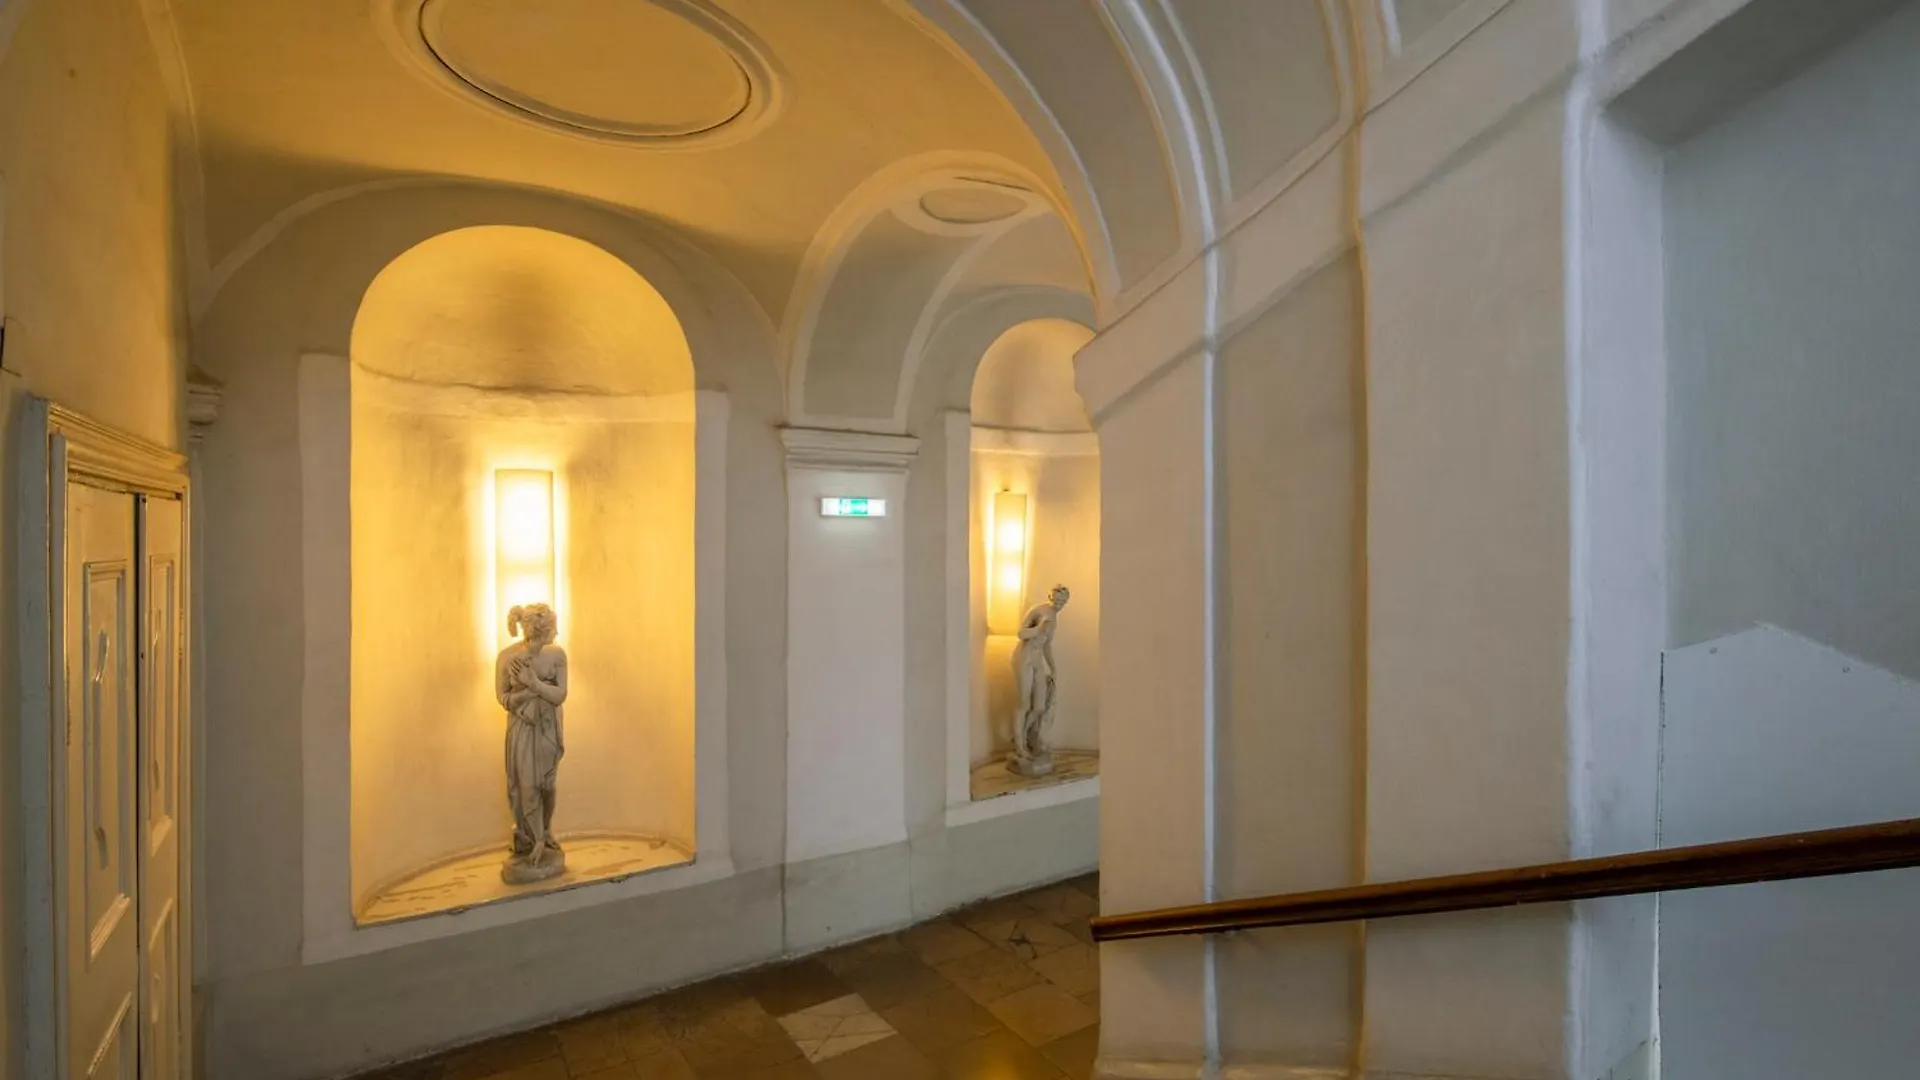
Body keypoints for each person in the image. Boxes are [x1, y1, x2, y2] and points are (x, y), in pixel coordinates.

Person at [497, 603, 568, 880]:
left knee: (548, 785)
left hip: (548, 728)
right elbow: (503, 698)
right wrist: (529, 692)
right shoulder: (506, 658)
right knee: (526, 786)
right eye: (553, 627)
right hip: (523, 729)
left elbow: (560, 695)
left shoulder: (557, 655)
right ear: (541, 630)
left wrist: (533, 683)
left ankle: (546, 831)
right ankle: (534, 839)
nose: (557, 632)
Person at [1010, 584, 1070, 775]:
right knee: (1024, 704)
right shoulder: (1038, 611)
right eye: (1057, 600)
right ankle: (1019, 745)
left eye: (1062, 601)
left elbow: (1047, 645)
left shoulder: (1055, 618)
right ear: (1050, 597)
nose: (1059, 604)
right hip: (1024, 658)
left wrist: (1053, 668)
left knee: (1039, 706)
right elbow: (1021, 634)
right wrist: (1038, 628)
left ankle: (1025, 736)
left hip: (1037, 659)